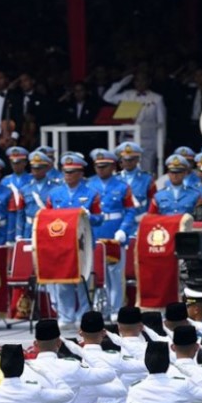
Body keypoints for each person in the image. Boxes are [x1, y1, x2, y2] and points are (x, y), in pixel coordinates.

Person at [45, 153, 103, 329]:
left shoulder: (91, 193)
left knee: (83, 280)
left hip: (83, 244)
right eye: (66, 172)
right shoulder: (55, 193)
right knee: (63, 281)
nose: (68, 175)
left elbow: (100, 219)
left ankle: (83, 314)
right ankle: (66, 315)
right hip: (61, 244)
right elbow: (47, 217)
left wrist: (89, 217)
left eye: (72, 172)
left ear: (80, 173)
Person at [88, 149, 138, 319]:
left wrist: (124, 229)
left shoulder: (122, 186)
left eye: (105, 166)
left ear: (113, 166)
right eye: (98, 166)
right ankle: (97, 306)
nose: (101, 169)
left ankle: (115, 309)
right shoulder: (89, 185)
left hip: (114, 232)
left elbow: (130, 211)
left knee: (114, 274)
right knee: (94, 272)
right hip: (95, 232)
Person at [102, 72, 166, 174]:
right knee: (128, 172)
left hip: (148, 142)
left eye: (142, 80)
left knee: (147, 172)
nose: (139, 83)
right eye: (137, 80)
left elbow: (161, 123)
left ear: (148, 81)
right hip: (128, 140)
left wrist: (161, 144)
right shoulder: (127, 95)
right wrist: (121, 83)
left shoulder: (157, 98)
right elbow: (107, 97)